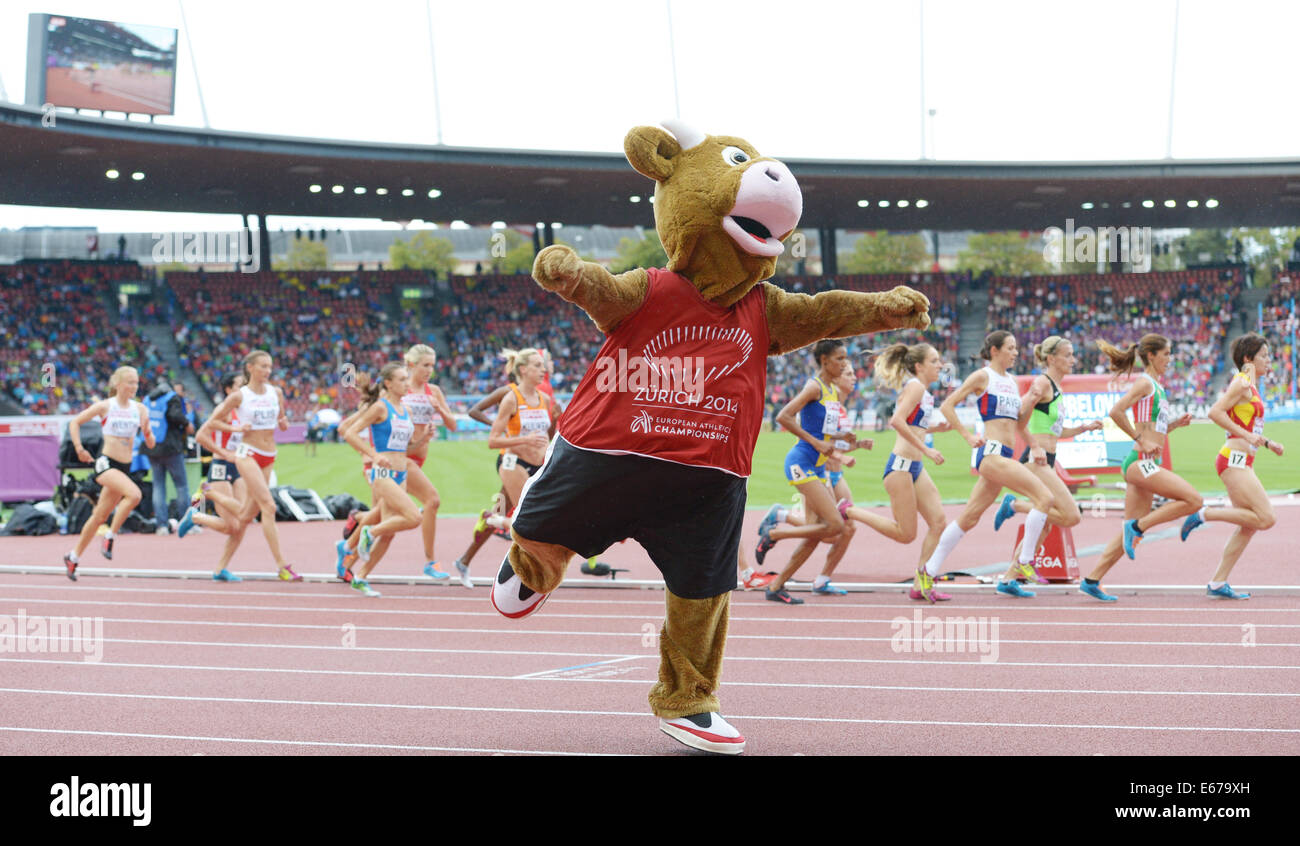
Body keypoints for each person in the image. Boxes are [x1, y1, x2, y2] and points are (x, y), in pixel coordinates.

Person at [919, 331, 1056, 598]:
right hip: (991, 454)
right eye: (1010, 348)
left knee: (969, 518)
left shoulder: (1013, 381)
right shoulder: (983, 376)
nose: (1016, 353)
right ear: (994, 350)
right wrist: (968, 435)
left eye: (1016, 348)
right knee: (1045, 498)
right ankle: (1026, 561)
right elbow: (948, 405)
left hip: (1004, 454)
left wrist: (1032, 427)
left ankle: (929, 571)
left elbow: (1017, 421)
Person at [1080, 334, 1198, 601]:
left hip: (1147, 463)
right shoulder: (1145, 383)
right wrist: (1139, 439)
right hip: (1138, 463)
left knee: (1127, 532)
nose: (1170, 359)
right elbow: (1116, 411)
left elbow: (1153, 430)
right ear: (1152, 356)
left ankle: (1092, 579)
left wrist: (1176, 424)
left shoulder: (1157, 387)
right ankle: (1139, 526)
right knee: (1193, 499)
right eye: (1166, 354)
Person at [838, 342, 953, 602]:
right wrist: (927, 449)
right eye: (934, 361)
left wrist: (936, 430)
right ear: (919, 366)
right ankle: (849, 510)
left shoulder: (924, 391)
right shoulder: (915, 387)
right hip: (900, 467)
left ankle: (921, 582)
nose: (940, 365)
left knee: (938, 522)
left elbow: (914, 426)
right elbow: (896, 421)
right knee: (906, 535)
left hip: (915, 467)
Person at [1179, 333, 1285, 599]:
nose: (1268, 359)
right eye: (1263, 355)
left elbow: (1250, 427)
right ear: (1248, 359)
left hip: (1243, 460)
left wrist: (1267, 443)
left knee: (1249, 525)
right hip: (1233, 461)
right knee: (1266, 518)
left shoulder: (1251, 385)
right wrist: (1249, 437)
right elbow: (1215, 412)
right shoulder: (1241, 382)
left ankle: (1217, 582)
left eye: (1269, 354)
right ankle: (1204, 514)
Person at [991, 336, 1104, 582]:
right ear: (1052, 358)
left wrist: (1083, 429)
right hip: (1036, 460)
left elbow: (1056, 431)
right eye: (1068, 355)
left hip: (1048, 457)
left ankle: (1009, 579)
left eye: (1073, 355)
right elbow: (1020, 417)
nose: (1073, 360)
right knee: (1071, 516)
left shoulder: (1057, 389)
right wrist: (1034, 445)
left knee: (1044, 526)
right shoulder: (1041, 384)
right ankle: (1014, 506)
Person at [756, 340, 856, 604]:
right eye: (839, 358)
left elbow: (822, 429)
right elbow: (783, 417)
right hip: (801, 463)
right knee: (835, 525)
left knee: (817, 533)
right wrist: (816, 443)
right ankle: (774, 533)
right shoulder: (814, 386)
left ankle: (776, 586)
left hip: (818, 466)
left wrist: (845, 437)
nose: (844, 363)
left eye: (845, 358)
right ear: (824, 360)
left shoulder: (832, 391)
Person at [206, 350, 301, 582]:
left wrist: (283, 421)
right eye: (262, 367)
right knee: (268, 506)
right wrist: (236, 429)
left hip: (269, 453)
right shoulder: (240, 396)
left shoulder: (275, 392)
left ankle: (219, 568)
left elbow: (281, 417)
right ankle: (282, 566)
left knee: (247, 515)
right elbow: (213, 422)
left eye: (269, 367)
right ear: (250, 368)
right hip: (247, 453)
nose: (267, 371)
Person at [63, 366, 155, 579]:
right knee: (134, 495)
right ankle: (111, 536)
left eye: (136, 383)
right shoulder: (106, 406)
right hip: (105, 463)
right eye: (130, 382)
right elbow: (74, 422)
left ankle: (73, 557)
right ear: (118, 384)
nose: (134, 386)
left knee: (99, 516)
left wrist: (149, 435)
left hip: (124, 467)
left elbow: (150, 443)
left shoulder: (140, 409)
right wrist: (79, 448)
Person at [342, 363, 424, 597]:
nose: (407, 383)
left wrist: (422, 439)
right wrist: (374, 455)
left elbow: (404, 447)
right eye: (401, 379)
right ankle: (369, 533)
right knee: (413, 517)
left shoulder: (404, 410)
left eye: (407, 379)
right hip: (383, 474)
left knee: (390, 533)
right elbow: (349, 432)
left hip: (401, 474)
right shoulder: (380, 407)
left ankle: (361, 577)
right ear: (388, 383)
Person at [178, 373, 250, 541]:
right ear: (228, 390)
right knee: (231, 527)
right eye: (239, 386)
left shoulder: (245, 410)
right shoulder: (223, 410)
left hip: (238, 464)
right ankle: (196, 516)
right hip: (221, 466)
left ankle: (198, 513)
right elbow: (201, 436)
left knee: (244, 517)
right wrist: (224, 453)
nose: (244, 390)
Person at [142, 378, 191, 534]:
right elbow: (175, 416)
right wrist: (186, 422)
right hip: (171, 447)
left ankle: (161, 525)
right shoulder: (172, 398)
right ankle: (186, 524)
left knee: (158, 486)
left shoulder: (148, 399)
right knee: (181, 486)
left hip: (152, 447)